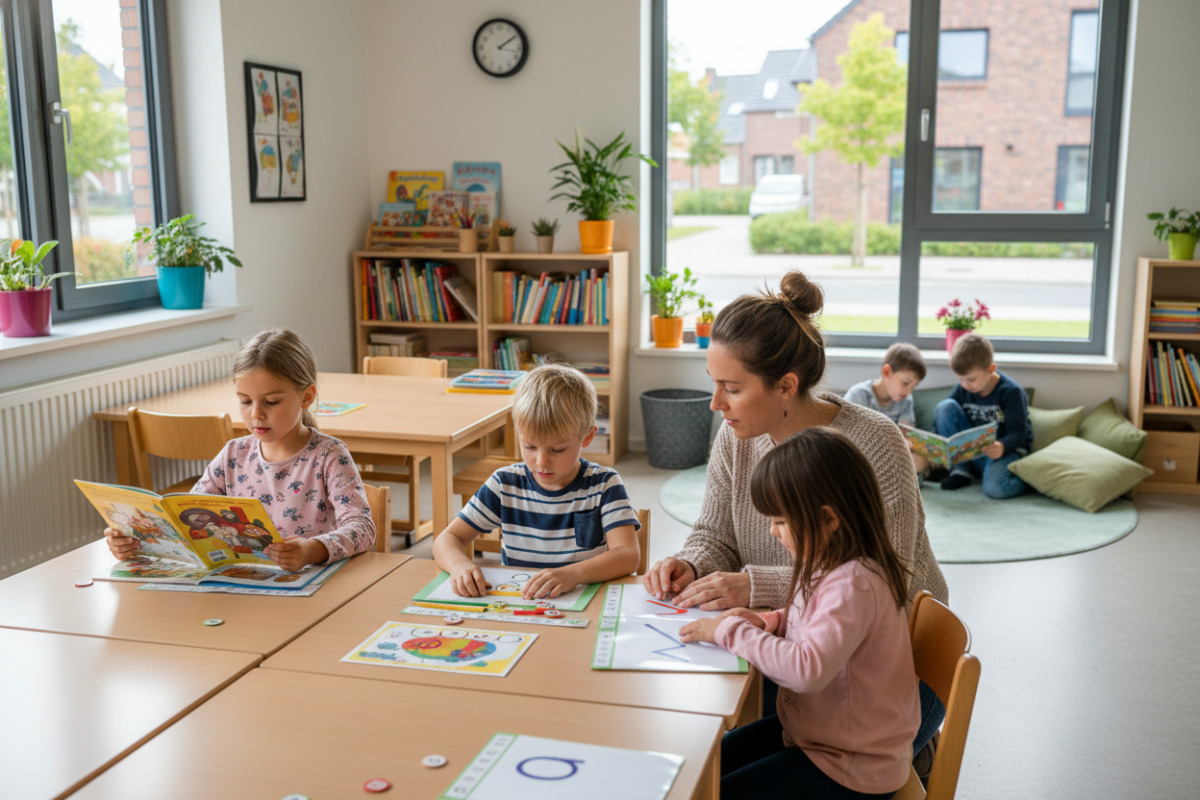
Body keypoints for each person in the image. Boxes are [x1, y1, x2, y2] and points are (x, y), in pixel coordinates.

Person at [640, 270, 946, 760]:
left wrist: (752, 586)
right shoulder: (735, 437)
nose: (717, 404)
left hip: (895, 674)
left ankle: (905, 757)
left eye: (732, 388)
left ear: (785, 386)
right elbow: (715, 534)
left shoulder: (876, 444)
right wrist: (692, 563)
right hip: (804, 647)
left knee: (726, 738)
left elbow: (888, 581)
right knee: (706, 735)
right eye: (713, 384)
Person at [680, 428, 919, 799]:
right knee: (701, 764)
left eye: (779, 521)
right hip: (819, 737)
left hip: (853, 765)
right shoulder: (830, 561)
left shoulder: (853, 583)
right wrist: (768, 622)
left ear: (828, 519)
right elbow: (811, 619)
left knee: (709, 791)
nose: (773, 532)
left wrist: (731, 631)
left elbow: (806, 670)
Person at [103, 328, 376, 571]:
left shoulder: (329, 455)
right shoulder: (234, 455)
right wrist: (136, 540)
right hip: (240, 586)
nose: (256, 414)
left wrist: (311, 549)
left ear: (306, 396)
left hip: (310, 586)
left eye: (271, 401)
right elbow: (185, 518)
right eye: (245, 401)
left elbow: (362, 528)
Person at [432, 364, 640, 599]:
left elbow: (628, 555)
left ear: (588, 436)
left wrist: (573, 574)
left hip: (584, 603)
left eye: (558, 449)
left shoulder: (604, 485)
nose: (541, 462)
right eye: (529, 446)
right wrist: (459, 565)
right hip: (521, 605)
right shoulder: (504, 484)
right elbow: (446, 540)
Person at [935, 332, 1031, 498]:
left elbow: (1019, 433)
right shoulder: (963, 389)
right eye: (961, 379)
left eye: (971, 379)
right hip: (972, 452)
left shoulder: (1010, 392)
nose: (965, 385)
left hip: (1002, 452)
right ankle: (961, 471)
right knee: (944, 407)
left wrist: (1002, 446)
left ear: (991, 369)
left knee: (995, 489)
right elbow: (946, 417)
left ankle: (1029, 480)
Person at [844, 342, 931, 482]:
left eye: (913, 387)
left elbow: (905, 435)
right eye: (905, 383)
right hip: (862, 453)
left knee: (921, 461)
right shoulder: (859, 395)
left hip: (892, 456)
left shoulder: (906, 400)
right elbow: (848, 436)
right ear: (886, 372)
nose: (908, 391)